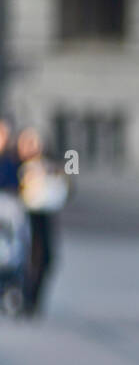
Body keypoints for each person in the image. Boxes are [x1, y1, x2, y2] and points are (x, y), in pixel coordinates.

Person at [16, 127, 68, 316]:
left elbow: (68, 186)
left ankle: (33, 300)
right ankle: (25, 298)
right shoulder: (15, 165)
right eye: (28, 143)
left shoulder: (50, 165)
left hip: (42, 217)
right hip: (22, 218)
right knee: (24, 258)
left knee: (45, 258)